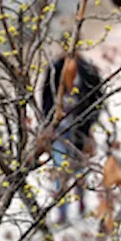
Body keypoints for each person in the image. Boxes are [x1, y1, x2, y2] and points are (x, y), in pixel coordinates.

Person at [39, 53, 104, 224]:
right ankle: (62, 213)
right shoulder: (55, 68)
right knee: (60, 168)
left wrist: (89, 123)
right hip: (59, 129)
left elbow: (98, 98)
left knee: (79, 169)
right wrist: (48, 123)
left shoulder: (87, 69)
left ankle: (81, 202)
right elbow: (45, 98)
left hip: (80, 129)